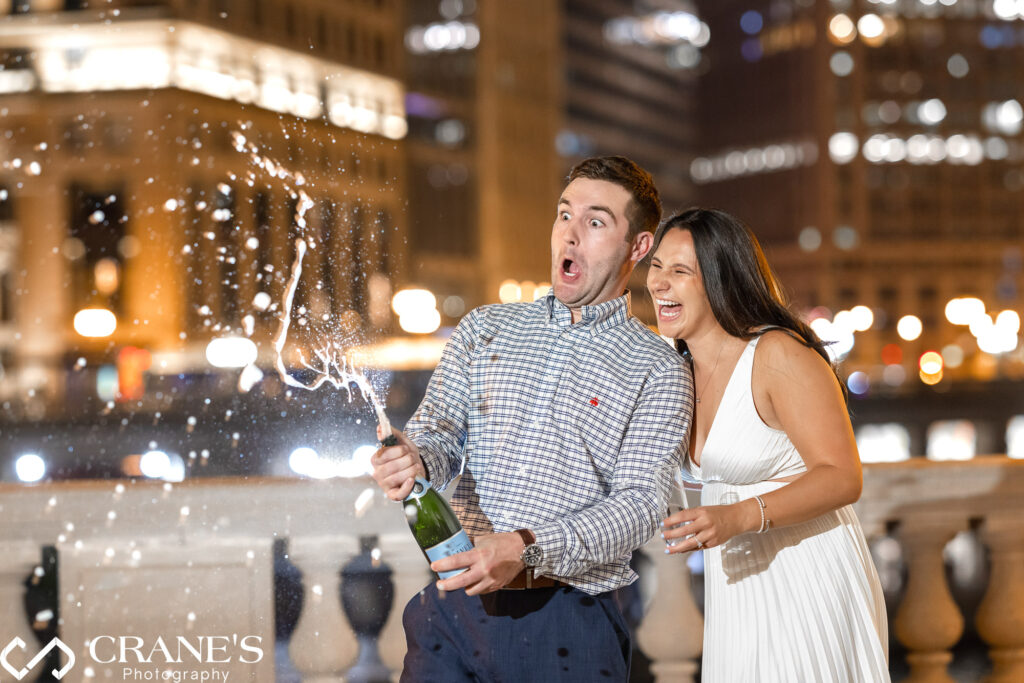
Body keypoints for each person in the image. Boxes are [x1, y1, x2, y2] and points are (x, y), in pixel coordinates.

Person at [371, 156, 693, 682]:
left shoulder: (657, 367)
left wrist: (525, 549)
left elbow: (640, 506)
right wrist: (414, 459)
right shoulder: (484, 328)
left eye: (595, 222)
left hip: (567, 620)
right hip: (450, 613)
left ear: (638, 247)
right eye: (564, 215)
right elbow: (439, 434)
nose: (570, 236)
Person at [650, 208, 889, 682]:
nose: (659, 284)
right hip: (735, 583)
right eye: (656, 267)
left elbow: (842, 475)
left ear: (722, 281)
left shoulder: (778, 355)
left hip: (807, 575)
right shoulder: (676, 371)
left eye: (680, 272)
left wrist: (737, 516)